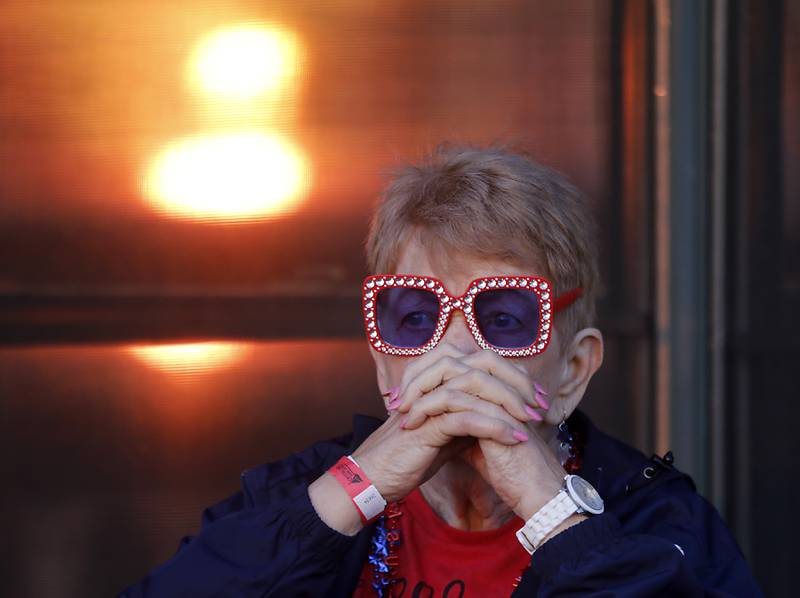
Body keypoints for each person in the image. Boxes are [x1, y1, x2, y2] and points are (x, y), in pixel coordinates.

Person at [121, 145, 762, 597]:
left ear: (573, 369)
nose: (453, 354)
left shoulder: (657, 521)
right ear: (383, 360)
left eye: (505, 317)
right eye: (415, 315)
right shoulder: (299, 494)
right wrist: (362, 484)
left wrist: (548, 508)